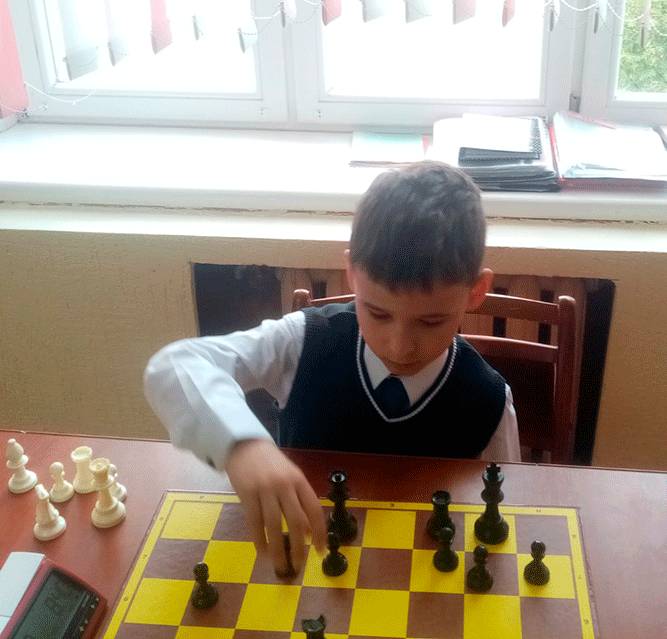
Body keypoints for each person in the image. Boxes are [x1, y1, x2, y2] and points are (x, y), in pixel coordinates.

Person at [144, 160, 519, 574]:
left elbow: (513, 505)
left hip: (425, 577)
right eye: (377, 313)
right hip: (309, 569)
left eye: (431, 322)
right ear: (351, 275)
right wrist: (241, 446)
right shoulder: (301, 343)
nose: (399, 345)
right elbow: (174, 365)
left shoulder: (489, 401)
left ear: (476, 291)